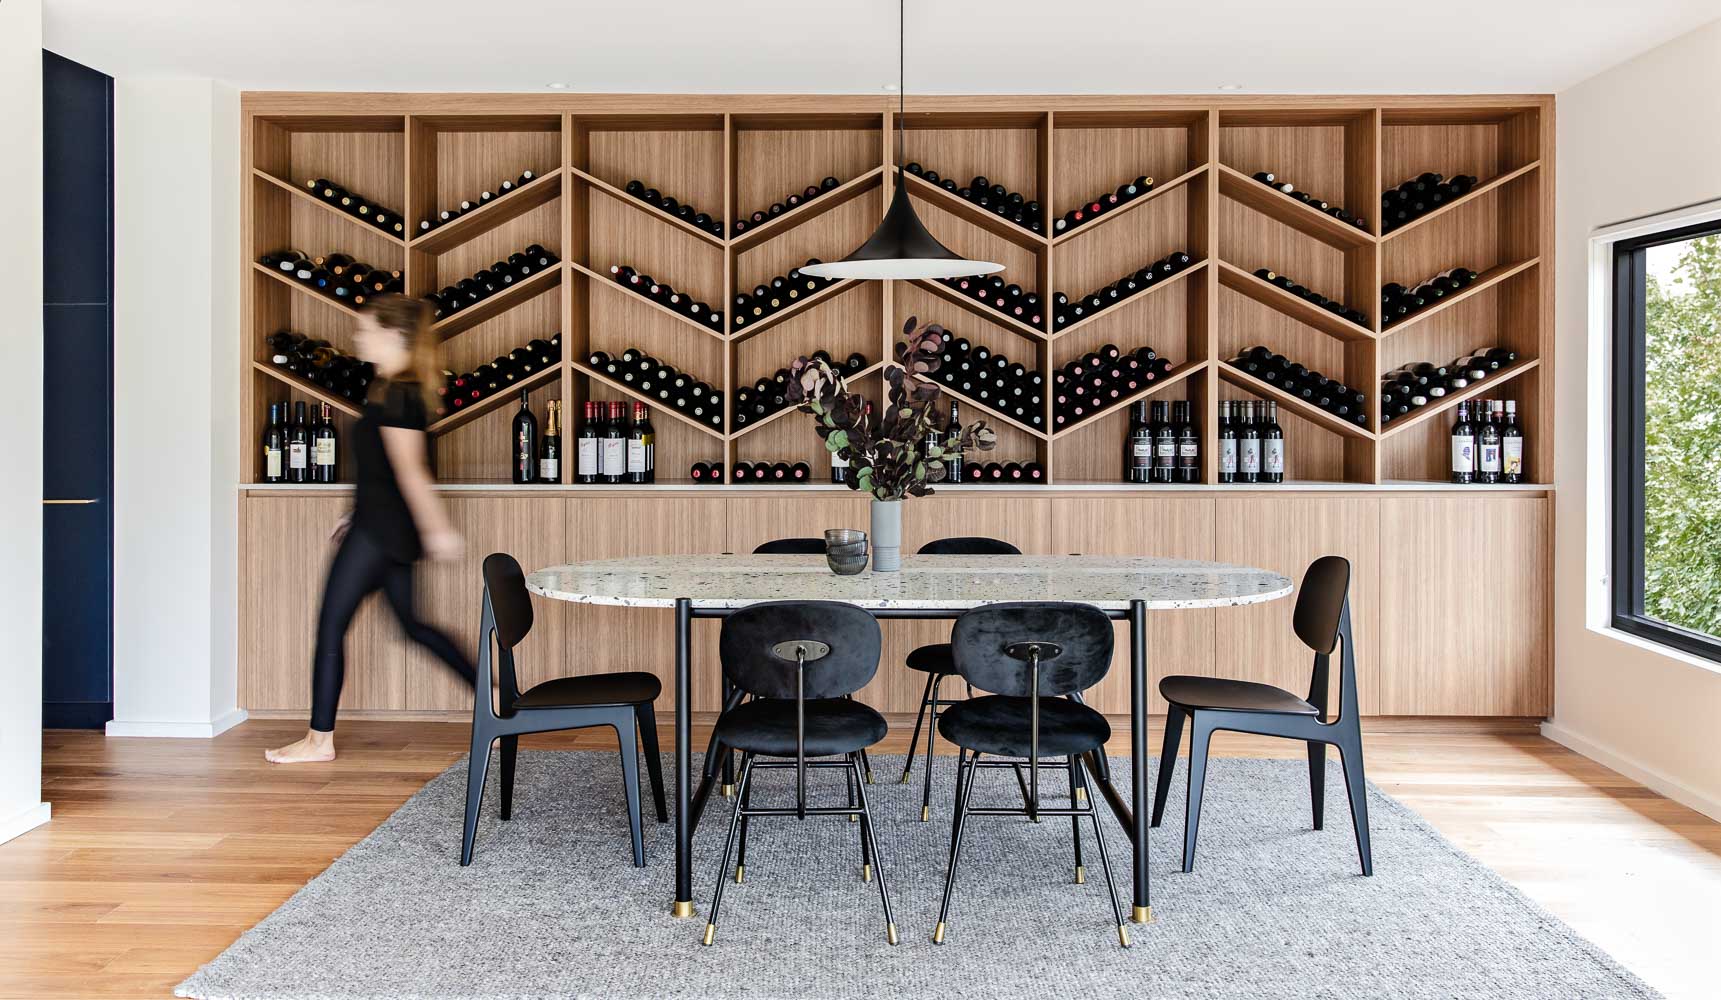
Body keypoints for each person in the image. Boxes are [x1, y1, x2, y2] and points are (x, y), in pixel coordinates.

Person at [267, 295, 475, 763]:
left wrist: (439, 528)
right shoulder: (391, 387)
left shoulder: (399, 392)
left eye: (366, 330)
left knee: (330, 629)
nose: (358, 338)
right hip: (380, 525)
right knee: (413, 626)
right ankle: (494, 691)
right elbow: (381, 469)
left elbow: (411, 471)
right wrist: (354, 510)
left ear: (395, 336)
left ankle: (319, 740)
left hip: (378, 534)